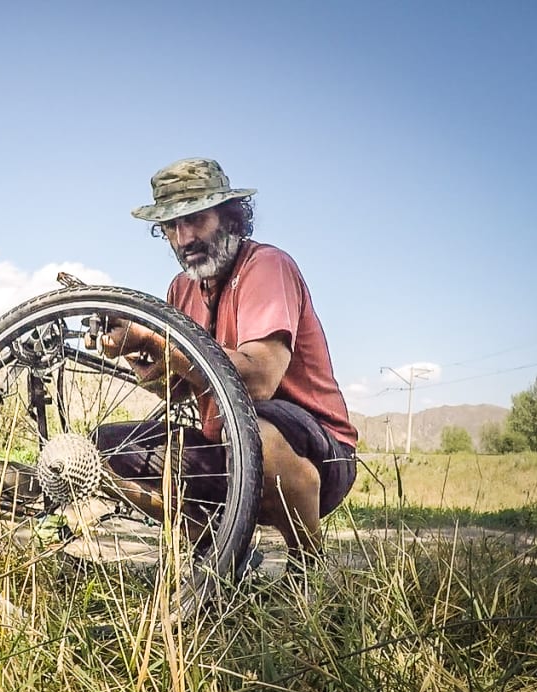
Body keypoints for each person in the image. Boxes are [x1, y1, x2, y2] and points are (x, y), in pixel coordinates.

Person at [95, 157, 357, 569]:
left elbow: (258, 381)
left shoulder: (267, 267)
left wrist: (159, 344)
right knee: (106, 448)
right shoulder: (181, 289)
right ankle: (221, 552)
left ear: (231, 217)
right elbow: (179, 385)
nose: (184, 239)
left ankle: (308, 564)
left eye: (196, 219)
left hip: (315, 453)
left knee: (255, 428)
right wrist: (143, 359)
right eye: (170, 227)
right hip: (228, 450)